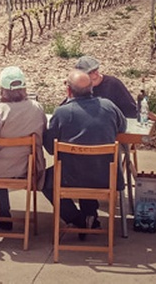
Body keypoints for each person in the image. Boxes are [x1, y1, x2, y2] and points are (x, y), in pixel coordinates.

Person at [43, 68, 126, 235]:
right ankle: (90, 216)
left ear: (68, 90)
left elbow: (51, 149)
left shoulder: (61, 113)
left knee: (45, 181)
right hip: (106, 177)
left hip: (71, 177)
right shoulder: (109, 107)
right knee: (90, 165)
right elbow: (122, 128)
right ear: (91, 89)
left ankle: (78, 219)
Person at [0, 66, 47, 230]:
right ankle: (5, 213)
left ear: (2, 90)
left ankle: (4, 212)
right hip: (27, 168)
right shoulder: (36, 108)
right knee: (4, 161)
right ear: (24, 88)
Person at [74, 56, 138, 119]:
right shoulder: (79, 87)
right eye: (90, 73)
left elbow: (131, 111)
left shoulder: (113, 84)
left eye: (96, 70)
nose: (95, 74)